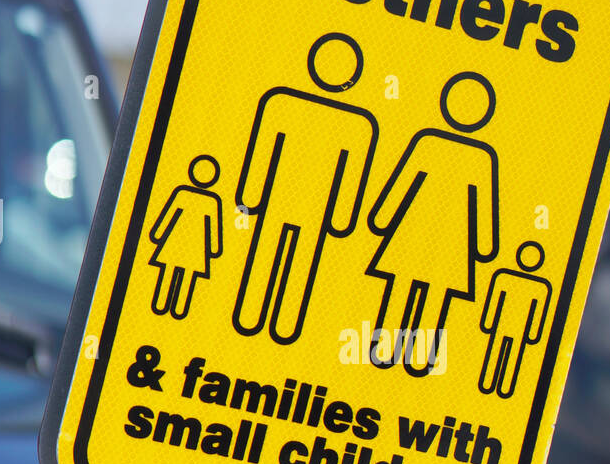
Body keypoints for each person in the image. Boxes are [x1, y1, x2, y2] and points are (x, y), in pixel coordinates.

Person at [232, 33, 378, 345]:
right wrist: (248, 200)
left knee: (298, 268)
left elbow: (351, 179)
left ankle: (281, 327)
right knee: (265, 258)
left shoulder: (355, 124)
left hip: (312, 211)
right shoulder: (283, 104)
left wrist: (342, 220)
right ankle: (251, 318)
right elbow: (262, 154)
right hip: (281, 203)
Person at [366, 71, 499, 377]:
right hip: (423, 235)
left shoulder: (474, 155)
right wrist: (485, 248)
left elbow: (484, 205)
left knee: (428, 298)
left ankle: (409, 355)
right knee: (410, 293)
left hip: (440, 240)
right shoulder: (433, 143)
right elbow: (404, 183)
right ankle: (391, 352)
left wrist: (381, 219)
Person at [148, 154, 223, 319]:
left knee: (185, 276)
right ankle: (164, 304)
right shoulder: (186, 194)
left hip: (191, 244)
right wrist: (215, 249)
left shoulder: (209, 200)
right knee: (171, 273)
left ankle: (175, 308)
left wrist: (157, 235)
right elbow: (169, 214)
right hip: (181, 242)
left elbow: (213, 227)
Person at [478, 241, 552, 398]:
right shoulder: (504, 277)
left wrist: (533, 335)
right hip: (502, 325)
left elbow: (538, 312)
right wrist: (487, 323)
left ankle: (503, 389)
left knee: (513, 360)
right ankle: (487, 384)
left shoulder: (540, 287)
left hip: (519, 330)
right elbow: (494, 300)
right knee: (493, 355)